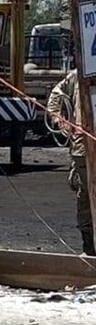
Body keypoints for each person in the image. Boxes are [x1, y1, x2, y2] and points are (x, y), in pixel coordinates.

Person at [48, 69, 94, 255]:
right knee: (85, 196)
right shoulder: (79, 74)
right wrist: (59, 119)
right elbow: (56, 95)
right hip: (82, 145)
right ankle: (89, 247)